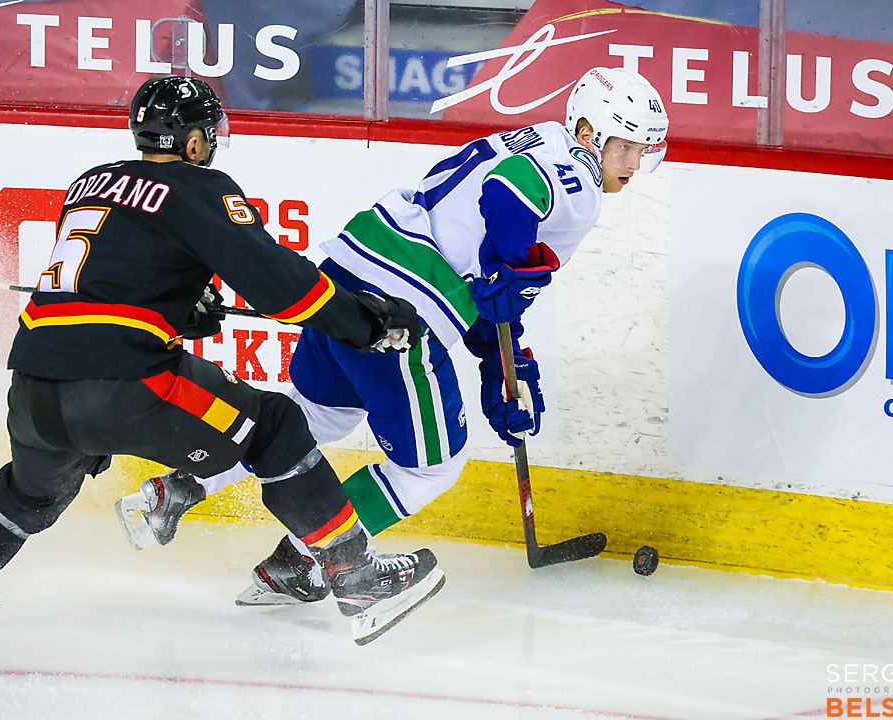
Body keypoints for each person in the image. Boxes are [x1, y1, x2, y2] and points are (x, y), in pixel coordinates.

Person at [0, 75, 445, 646]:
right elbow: (281, 287)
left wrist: (182, 310)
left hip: (34, 384)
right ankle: (354, 577)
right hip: (125, 381)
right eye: (208, 134)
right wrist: (367, 324)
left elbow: (111, 282)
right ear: (195, 142)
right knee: (275, 428)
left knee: (33, 492)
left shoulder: (89, 184)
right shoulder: (198, 188)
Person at [116, 66, 670, 605]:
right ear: (587, 133)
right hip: (401, 307)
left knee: (315, 414)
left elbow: (491, 276)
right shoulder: (581, 179)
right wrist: (503, 267)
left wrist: (501, 359)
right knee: (430, 467)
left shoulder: (538, 139)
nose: (633, 162)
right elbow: (508, 194)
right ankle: (306, 564)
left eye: (642, 150)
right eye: (625, 146)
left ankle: (175, 491)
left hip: (348, 272)